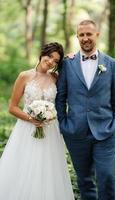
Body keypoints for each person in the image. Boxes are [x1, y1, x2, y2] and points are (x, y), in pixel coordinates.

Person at [56, 20, 115, 200]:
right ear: (77, 37)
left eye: (89, 34)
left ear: (97, 35)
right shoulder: (67, 64)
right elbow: (60, 97)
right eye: (81, 35)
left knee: (106, 177)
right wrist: (64, 125)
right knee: (84, 180)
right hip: (76, 132)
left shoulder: (111, 64)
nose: (85, 38)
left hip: (106, 131)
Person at [0, 42, 75, 200]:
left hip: (50, 130)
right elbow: (12, 107)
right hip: (26, 129)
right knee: (24, 167)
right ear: (42, 54)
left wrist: (70, 60)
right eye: (49, 56)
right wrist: (31, 119)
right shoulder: (24, 76)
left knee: (49, 170)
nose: (50, 62)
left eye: (56, 61)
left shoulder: (55, 78)